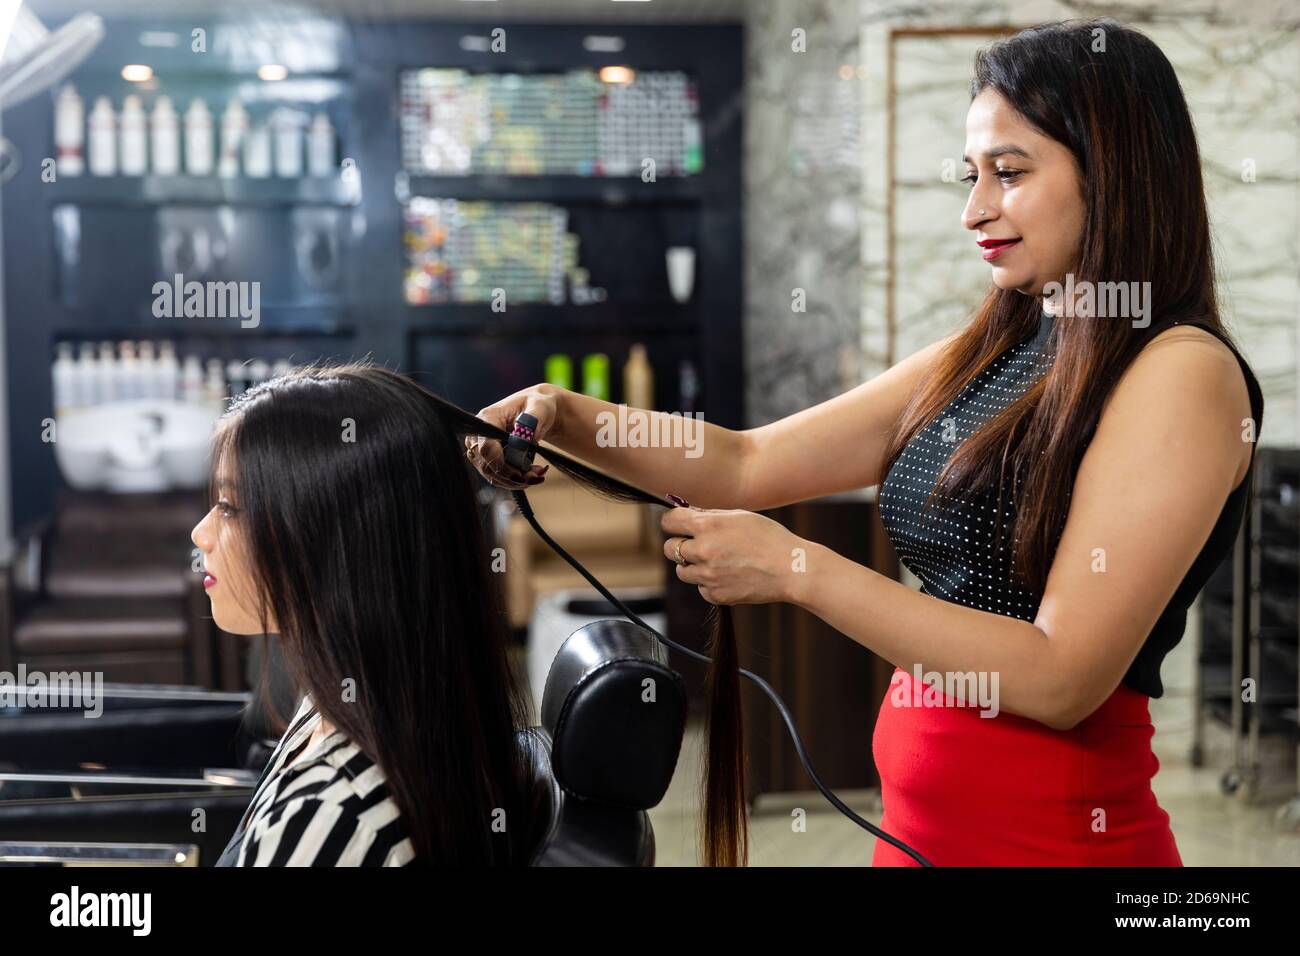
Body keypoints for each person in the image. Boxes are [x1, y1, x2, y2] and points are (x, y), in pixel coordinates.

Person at [466, 18, 1263, 865]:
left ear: (1114, 172)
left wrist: (794, 568)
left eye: (1010, 173)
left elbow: (1059, 677)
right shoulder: (1004, 346)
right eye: (972, 175)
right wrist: (566, 414)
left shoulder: (1181, 372)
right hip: (918, 837)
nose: (975, 209)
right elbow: (747, 462)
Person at [192, 363, 549, 866]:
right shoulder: (389, 708)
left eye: (229, 507)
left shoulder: (326, 820)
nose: (201, 534)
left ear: (328, 546)